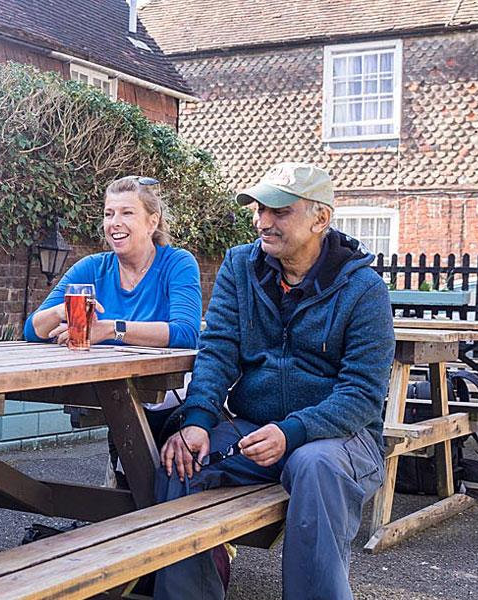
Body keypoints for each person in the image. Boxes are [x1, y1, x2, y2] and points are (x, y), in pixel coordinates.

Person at [155, 163, 393, 600]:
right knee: (180, 459)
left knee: (313, 465)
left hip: (339, 438)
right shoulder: (239, 268)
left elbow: (362, 395)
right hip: (255, 430)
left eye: (280, 211)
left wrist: (292, 432)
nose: (263, 221)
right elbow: (218, 350)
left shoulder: (364, 290)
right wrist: (198, 418)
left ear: (320, 219)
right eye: (260, 209)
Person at [23, 175, 202, 439]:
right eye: (109, 214)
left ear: (152, 222)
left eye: (127, 213)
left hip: (170, 403)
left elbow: (186, 333)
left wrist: (110, 330)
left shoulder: (178, 263)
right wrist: (61, 312)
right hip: (113, 393)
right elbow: (32, 330)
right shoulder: (92, 267)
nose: (114, 222)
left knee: (143, 465)